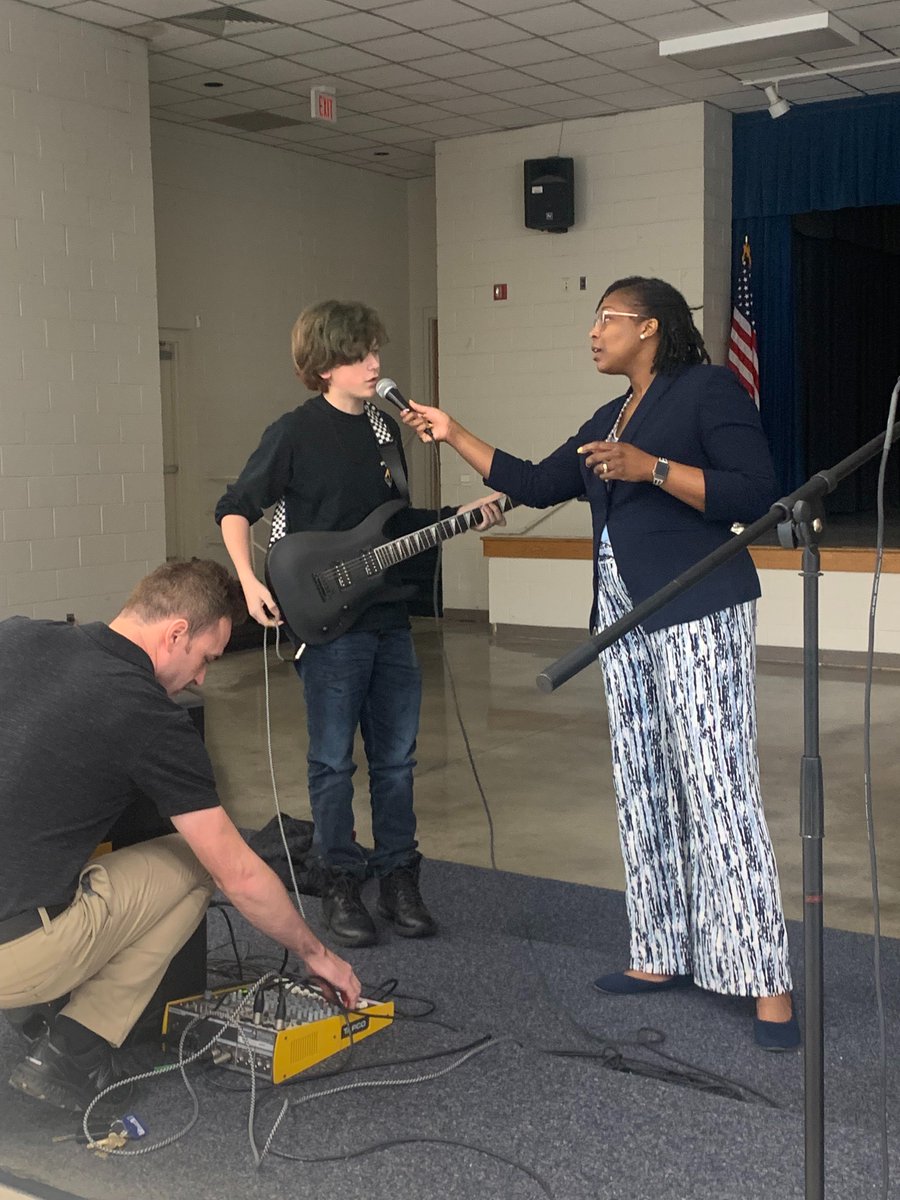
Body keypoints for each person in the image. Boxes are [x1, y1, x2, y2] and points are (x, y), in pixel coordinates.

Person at [401, 276, 799, 1051]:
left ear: (649, 327)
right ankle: (659, 952)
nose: (593, 331)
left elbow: (757, 491)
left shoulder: (706, 391)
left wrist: (651, 468)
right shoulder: (609, 414)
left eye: (606, 318)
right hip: (623, 622)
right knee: (642, 779)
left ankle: (765, 979)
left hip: (698, 609)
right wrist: (452, 431)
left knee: (718, 787)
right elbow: (537, 480)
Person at [0, 559, 361, 1115]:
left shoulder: (17, 634)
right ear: (175, 634)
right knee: (196, 864)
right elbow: (234, 872)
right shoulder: (149, 715)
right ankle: (71, 1052)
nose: (200, 679)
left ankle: (33, 1013)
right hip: (14, 956)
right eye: (205, 659)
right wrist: (317, 954)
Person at [216, 299, 504, 950]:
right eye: (358, 354)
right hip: (329, 624)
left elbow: (393, 525)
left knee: (397, 761)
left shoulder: (385, 431)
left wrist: (463, 513)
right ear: (324, 366)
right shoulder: (293, 432)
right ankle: (340, 879)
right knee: (331, 764)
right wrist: (252, 582)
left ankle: (400, 876)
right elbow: (235, 509)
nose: (374, 363)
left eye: (374, 349)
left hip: (390, 614)